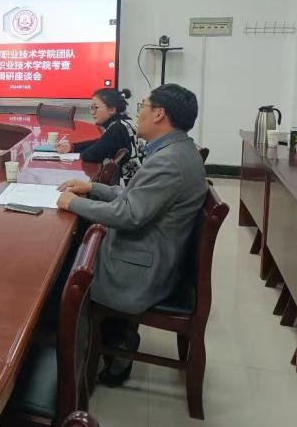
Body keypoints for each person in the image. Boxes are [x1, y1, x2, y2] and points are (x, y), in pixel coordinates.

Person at [57, 83, 207, 387]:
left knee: (60, 268)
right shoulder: (177, 150)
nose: (138, 114)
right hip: (155, 252)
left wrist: (73, 203)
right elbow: (136, 196)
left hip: (142, 269)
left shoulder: (169, 161)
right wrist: (93, 187)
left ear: (159, 114)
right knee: (73, 243)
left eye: (143, 106)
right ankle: (112, 337)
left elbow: (129, 214)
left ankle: (67, 357)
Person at [57, 88, 143, 179]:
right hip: (138, 180)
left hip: (127, 185)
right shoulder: (126, 122)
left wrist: (80, 150)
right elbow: (102, 142)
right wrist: (73, 147)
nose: (92, 112)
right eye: (91, 108)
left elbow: (89, 155)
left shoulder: (117, 129)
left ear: (112, 109)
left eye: (96, 108)